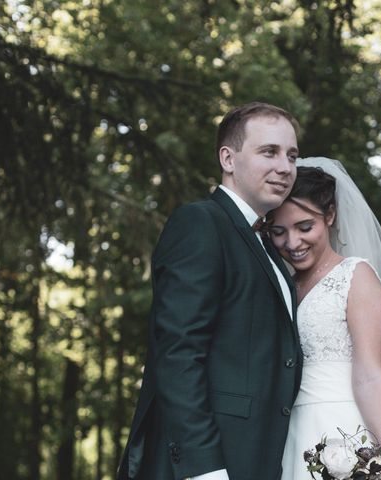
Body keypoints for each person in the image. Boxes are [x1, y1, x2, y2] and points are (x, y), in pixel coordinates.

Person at [117, 102, 303, 480]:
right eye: (269, 152)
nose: (285, 167)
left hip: (259, 459)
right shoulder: (200, 223)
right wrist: (204, 470)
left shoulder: (267, 245)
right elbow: (178, 355)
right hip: (210, 464)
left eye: (292, 155)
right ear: (228, 159)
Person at [268, 158, 381, 479]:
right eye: (279, 231)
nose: (292, 243)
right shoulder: (281, 285)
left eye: (305, 227)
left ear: (330, 215)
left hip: (345, 434)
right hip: (285, 435)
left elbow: (370, 375)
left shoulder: (355, 276)